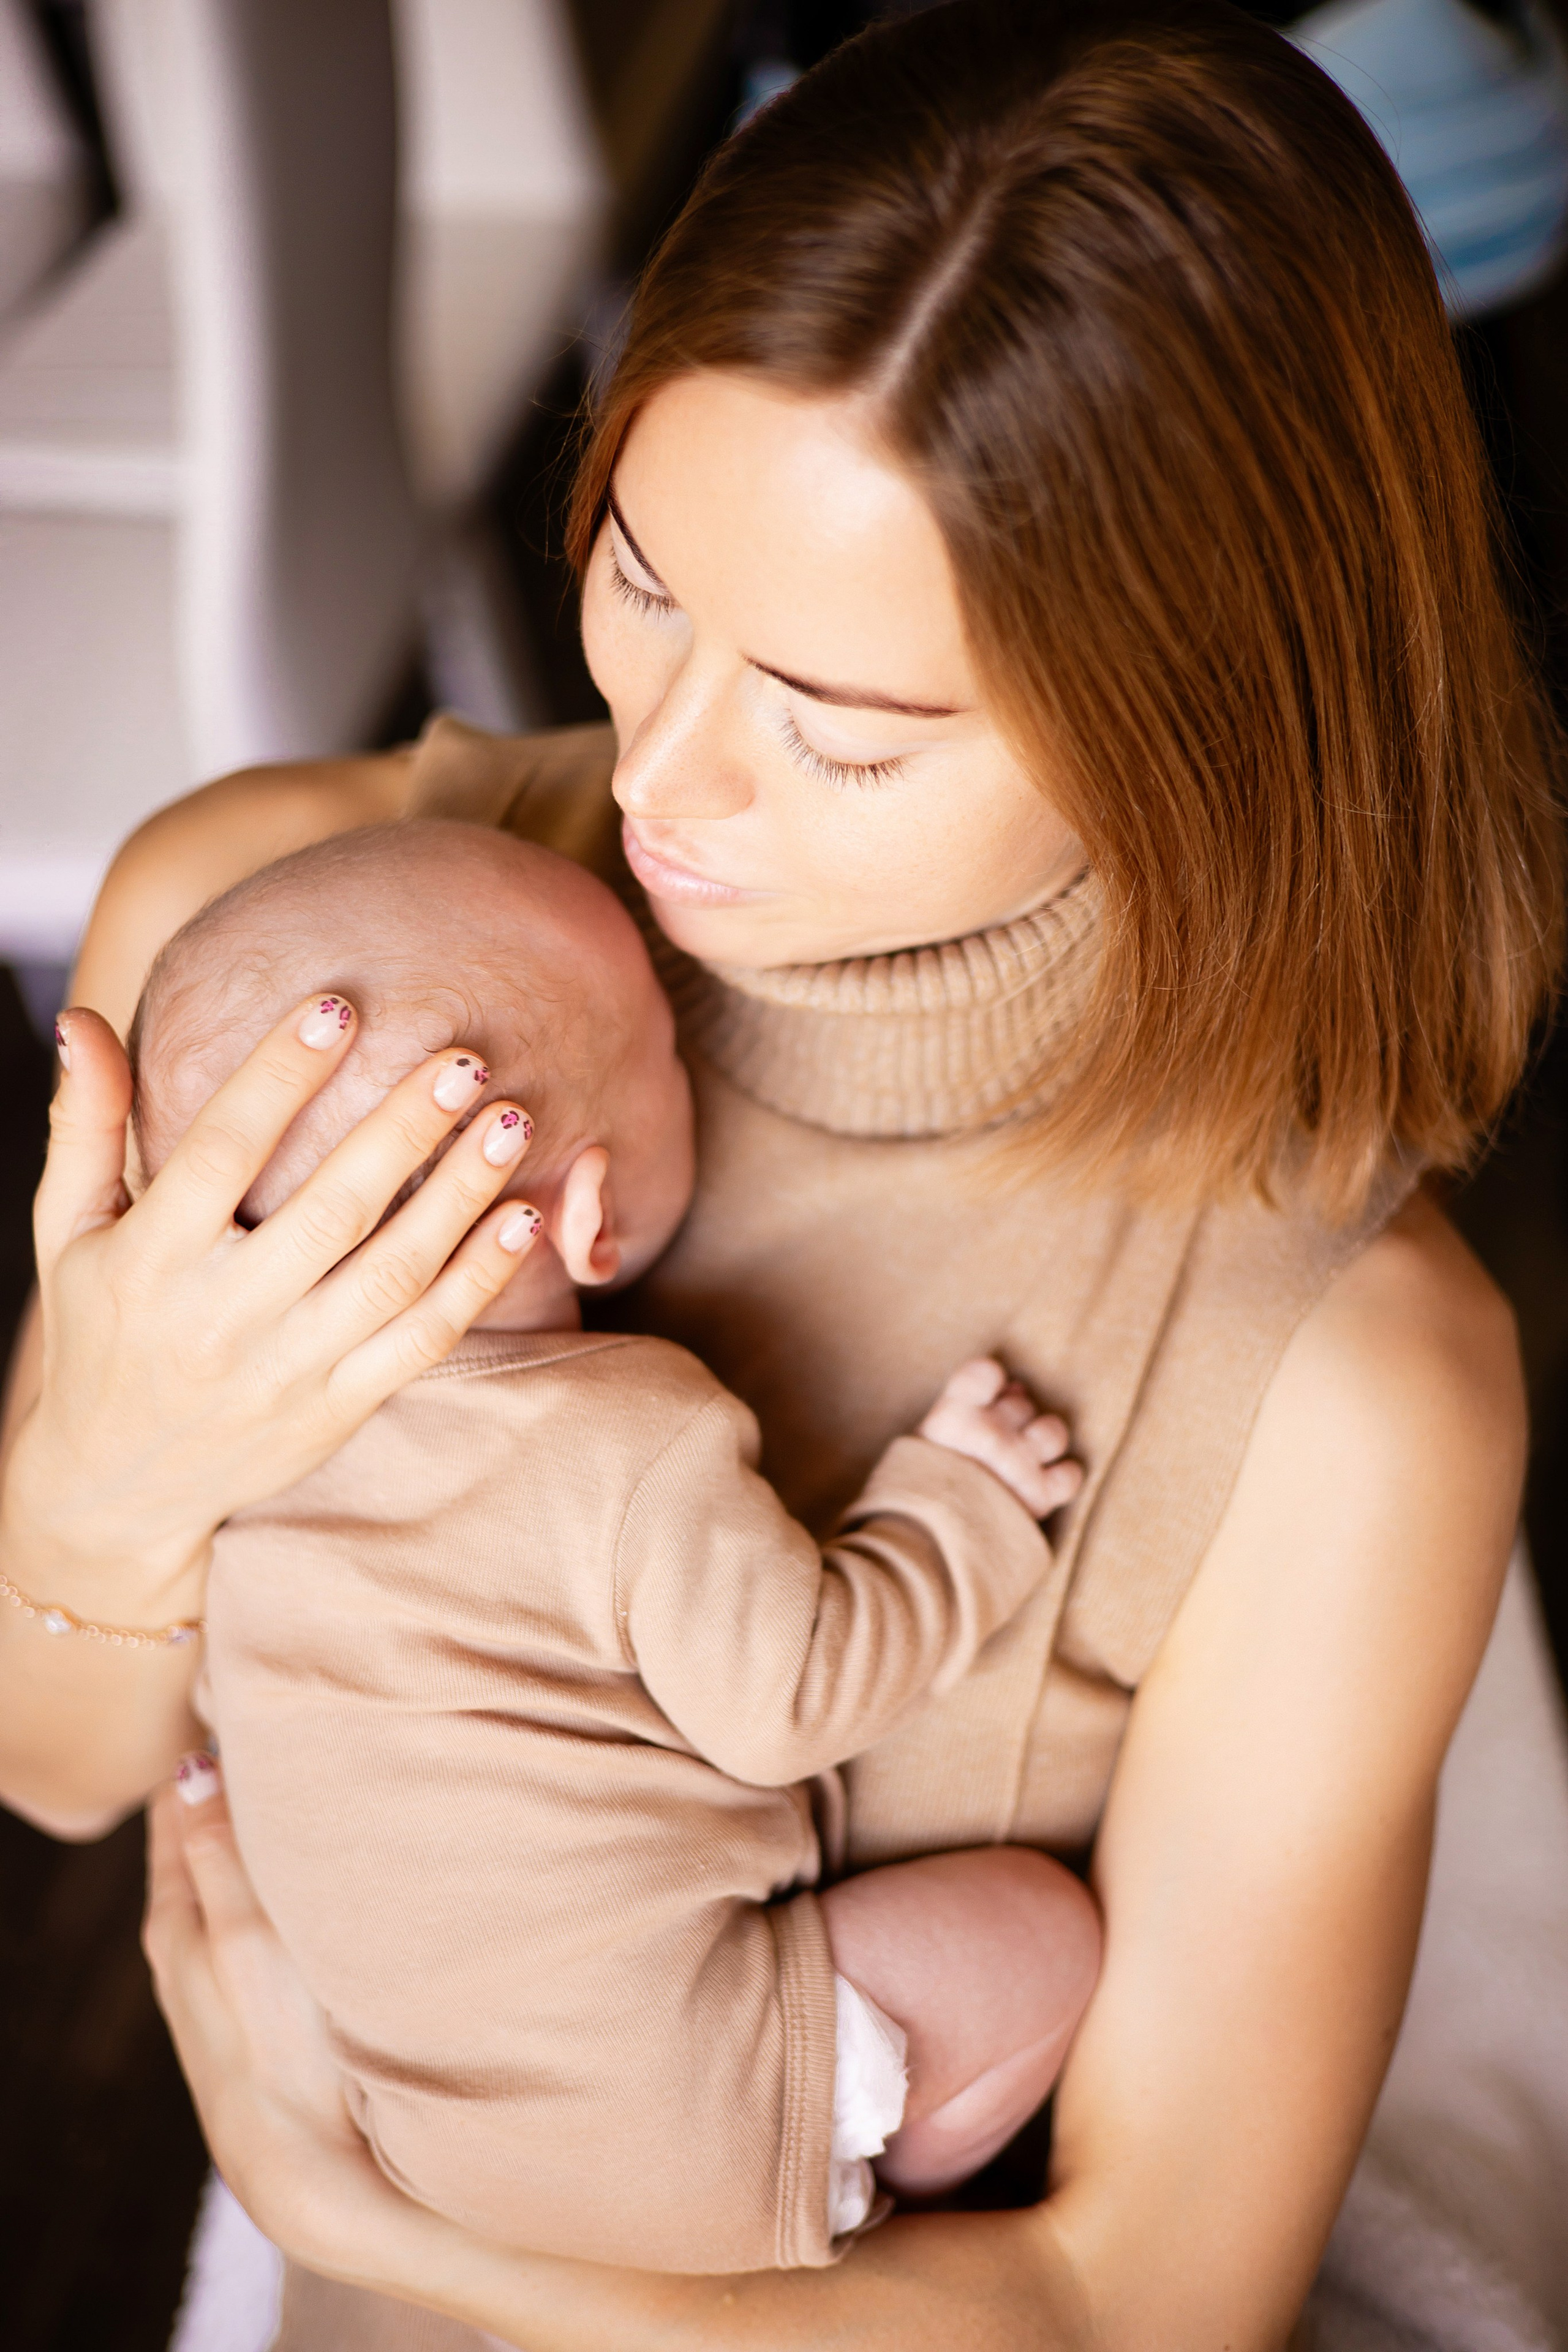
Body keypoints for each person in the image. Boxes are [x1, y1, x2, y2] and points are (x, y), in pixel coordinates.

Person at [1, 2, 1560, 2344]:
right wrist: (104, 1478)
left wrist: (406, 2234)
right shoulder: (277, 938)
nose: (668, 785)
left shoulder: (1347, 1380)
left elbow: (1146, 2307)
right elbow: (61, 1773)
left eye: (839, 732)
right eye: (644, 581)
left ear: (1202, 717)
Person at [134, 816, 1096, 2271]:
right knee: (1038, 1937)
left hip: (416, 2131)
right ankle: (875, 2162)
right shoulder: (625, 1433)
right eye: (666, 1053)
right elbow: (787, 1702)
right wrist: (956, 1512)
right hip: (681, 2099)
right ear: (586, 1217)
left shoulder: (243, 1454)